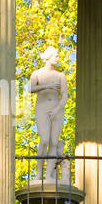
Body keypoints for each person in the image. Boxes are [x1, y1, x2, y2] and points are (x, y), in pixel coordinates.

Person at [28, 46, 68, 181]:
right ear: (49, 57)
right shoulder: (37, 73)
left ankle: (49, 175)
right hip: (42, 107)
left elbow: (64, 96)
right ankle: (38, 174)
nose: (57, 58)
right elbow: (31, 88)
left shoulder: (60, 75)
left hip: (57, 109)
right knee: (44, 140)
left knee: (54, 142)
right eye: (56, 56)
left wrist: (57, 109)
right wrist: (46, 86)